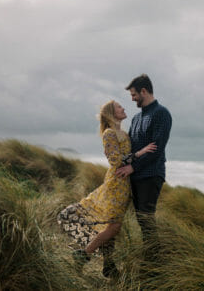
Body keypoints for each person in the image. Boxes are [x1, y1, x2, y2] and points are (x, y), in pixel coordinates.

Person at [57, 100, 156, 277]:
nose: (123, 108)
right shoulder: (109, 134)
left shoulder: (124, 134)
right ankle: (83, 255)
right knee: (114, 227)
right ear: (111, 113)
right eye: (119, 107)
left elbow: (124, 156)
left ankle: (108, 266)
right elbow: (115, 161)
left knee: (111, 227)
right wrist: (140, 153)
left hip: (125, 185)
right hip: (116, 184)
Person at [115, 74, 172, 261]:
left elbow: (156, 149)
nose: (132, 99)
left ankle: (153, 265)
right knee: (141, 220)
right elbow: (131, 148)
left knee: (146, 219)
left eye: (134, 95)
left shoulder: (161, 113)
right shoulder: (137, 118)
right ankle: (151, 259)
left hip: (151, 174)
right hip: (137, 175)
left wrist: (132, 167)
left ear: (144, 91)